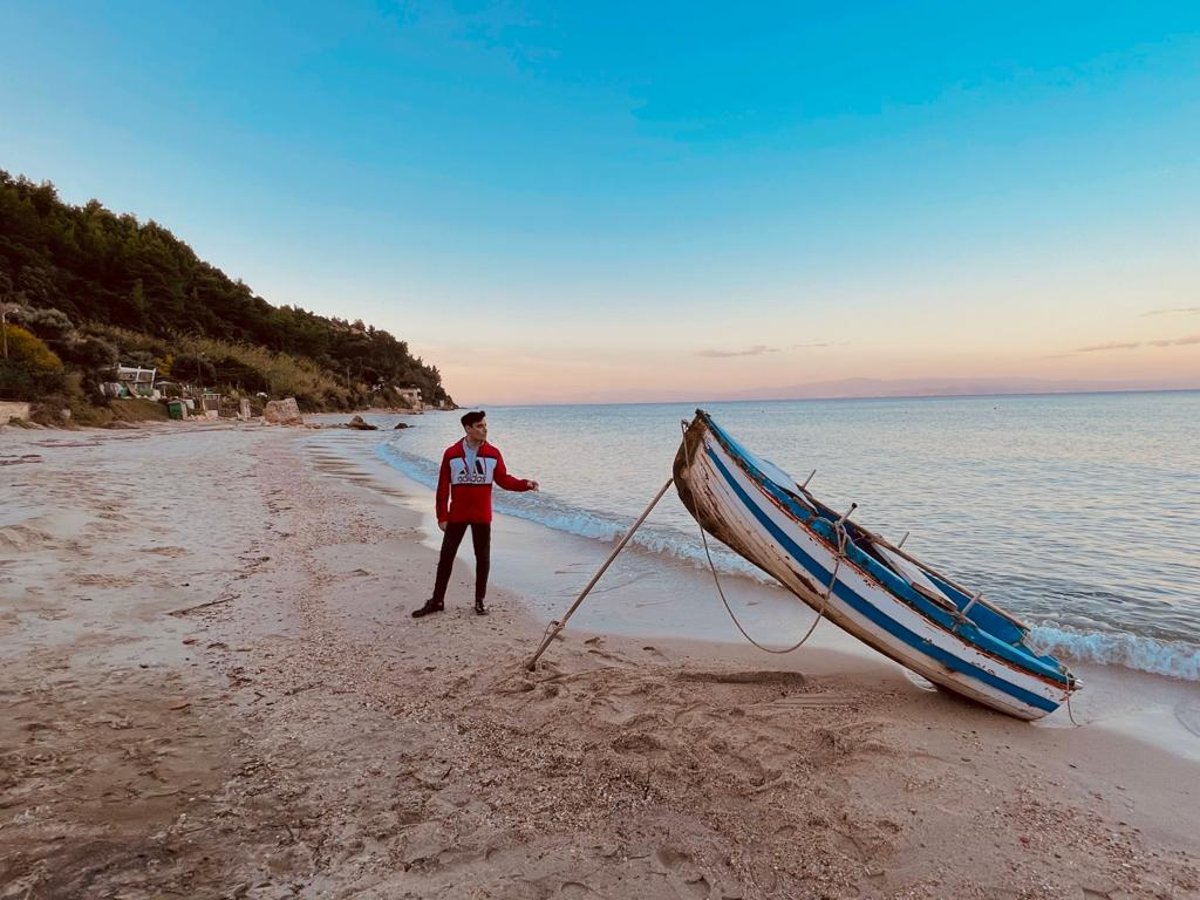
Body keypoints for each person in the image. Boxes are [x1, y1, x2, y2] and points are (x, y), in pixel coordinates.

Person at [412, 411, 539, 618]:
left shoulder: (493, 453)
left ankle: (480, 601)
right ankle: (437, 600)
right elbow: (443, 487)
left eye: (485, 426)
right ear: (468, 428)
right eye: (479, 426)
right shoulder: (451, 454)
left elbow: (504, 480)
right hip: (457, 515)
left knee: (483, 558)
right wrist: (441, 516)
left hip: (481, 515)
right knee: (446, 557)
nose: (484, 429)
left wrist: (526, 484)